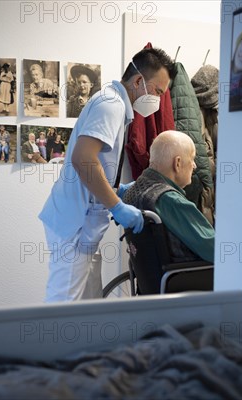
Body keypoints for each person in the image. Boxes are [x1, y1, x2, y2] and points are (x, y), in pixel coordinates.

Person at [38, 47, 174, 302]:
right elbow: (83, 159)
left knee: (88, 305)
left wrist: (115, 188)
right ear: (138, 81)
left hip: (82, 222)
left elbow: (97, 162)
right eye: (157, 91)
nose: (157, 100)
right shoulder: (111, 104)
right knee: (61, 309)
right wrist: (117, 205)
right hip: (75, 223)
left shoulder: (113, 103)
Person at [123, 130, 214, 263]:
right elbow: (214, 250)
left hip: (154, 280)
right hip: (190, 277)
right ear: (177, 163)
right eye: (192, 159)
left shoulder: (135, 190)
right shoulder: (170, 200)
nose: (194, 166)